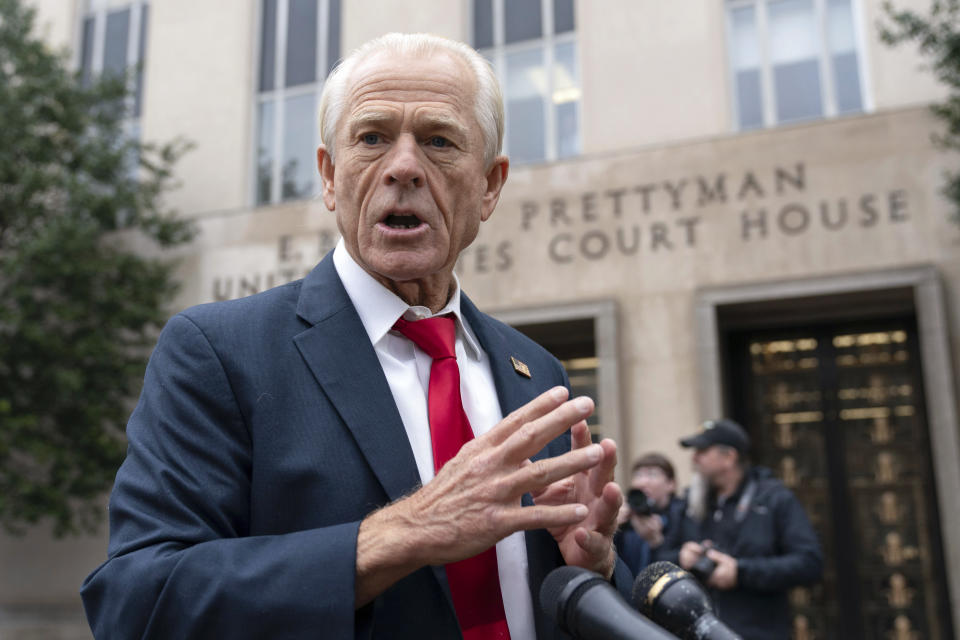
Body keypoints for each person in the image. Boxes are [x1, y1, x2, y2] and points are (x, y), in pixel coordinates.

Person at [79, 33, 630, 639]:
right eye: (371, 138)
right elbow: (137, 603)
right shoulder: (219, 352)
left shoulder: (536, 371)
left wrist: (594, 570)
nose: (402, 167)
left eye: (438, 141)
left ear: (490, 186)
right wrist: (405, 533)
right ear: (329, 176)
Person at [659, 418, 823, 640]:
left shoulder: (774, 500)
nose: (694, 458)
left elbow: (809, 563)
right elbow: (659, 560)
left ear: (729, 457)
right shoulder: (690, 503)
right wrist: (681, 556)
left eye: (702, 451)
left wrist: (740, 572)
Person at [613, 453, 684, 577]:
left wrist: (655, 542)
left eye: (652, 474)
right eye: (638, 475)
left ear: (671, 484)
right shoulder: (626, 515)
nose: (642, 482)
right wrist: (611, 527)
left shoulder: (682, 515)